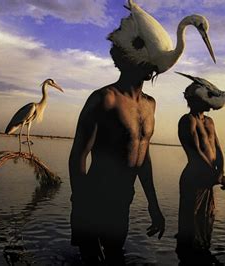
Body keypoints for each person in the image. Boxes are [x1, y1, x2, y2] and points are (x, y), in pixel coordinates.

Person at [68, 45, 165, 265]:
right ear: (126, 60)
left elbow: (143, 157)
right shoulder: (105, 99)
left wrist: (153, 204)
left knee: (114, 256)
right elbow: (78, 156)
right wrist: (81, 208)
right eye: (143, 57)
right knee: (92, 259)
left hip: (123, 199)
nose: (149, 63)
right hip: (94, 198)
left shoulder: (150, 105)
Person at [176, 82, 225, 263]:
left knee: (206, 220)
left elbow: (218, 148)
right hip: (194, 179)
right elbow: (195, 151)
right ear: (195, 100)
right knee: (190, 227)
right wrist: (215, 175)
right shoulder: (187, 120)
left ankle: (202, 256)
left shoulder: (210, 122)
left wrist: (220, 171)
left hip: (208, 178)